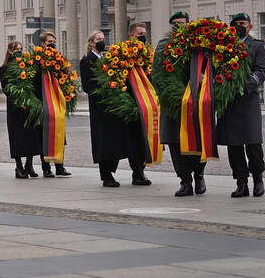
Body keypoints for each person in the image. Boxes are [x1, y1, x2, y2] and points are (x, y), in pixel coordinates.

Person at [217, 13, 265, 198]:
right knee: (234, 145)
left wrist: (243, 85)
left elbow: (261, 71)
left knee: (253, 143)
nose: (239, 26)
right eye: (236, 23)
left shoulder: (257, 46)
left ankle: (258, 179)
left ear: (250, 26)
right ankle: (241, 183)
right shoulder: (224, 47)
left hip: (248, 101)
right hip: (229, 102)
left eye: (243, 23)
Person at [156, 12, 207, 196]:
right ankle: (185, 181)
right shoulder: (163, 46)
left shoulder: (199, 44)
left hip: (196, 101)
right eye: (175, 24)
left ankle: (199, 175)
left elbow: (209, 66)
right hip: (172, 104)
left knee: (199, 141)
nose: (179, 26)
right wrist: (172, 94)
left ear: (189, 24)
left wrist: (203, 79)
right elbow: (158, 73)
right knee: (175, 144)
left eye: (182, 23)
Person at [80, 31, 132, 186]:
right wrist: (105, 90)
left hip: (113, 106)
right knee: (103, 141)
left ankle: (111, 170)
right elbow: (87, 86)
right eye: (98, 39)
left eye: (103, 39)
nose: (101, 42)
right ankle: (106, 175)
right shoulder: (87, 60)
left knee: (115, 140)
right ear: (91, 42)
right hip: (100, 108)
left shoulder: (108, 59)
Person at [0, 41, 42, 179]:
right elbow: (7, 88)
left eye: (21, 49)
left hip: (29, 105)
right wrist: (19, 101)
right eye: (16, 49)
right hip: (15, 107)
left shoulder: (28, 66)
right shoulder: (4, 68)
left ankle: (29, 165)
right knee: (17, 137)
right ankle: (18, 167)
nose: (19, 51)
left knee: (31, 135)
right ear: (10, 51)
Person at [36, 32, 71, 178]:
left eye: (54, 42)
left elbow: (66, 77)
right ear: (43, 44)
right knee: (45, 135)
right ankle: (46, 167)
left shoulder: (60, 59)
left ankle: (59, 166)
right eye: (49, 42)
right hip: (44, 100)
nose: (52, 44)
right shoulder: (37, 60)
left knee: (59, 133)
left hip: (57, 101)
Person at [124, 22, 153, 186]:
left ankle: (142, 169)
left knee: (146, 139)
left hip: (148, 103)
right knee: (134, 140)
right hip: (132, 103)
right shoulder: (122, 53)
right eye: (140, 33)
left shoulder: (148, 54)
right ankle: (137, 172)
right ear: (131, 36)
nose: (143, 36)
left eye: (144, 33)